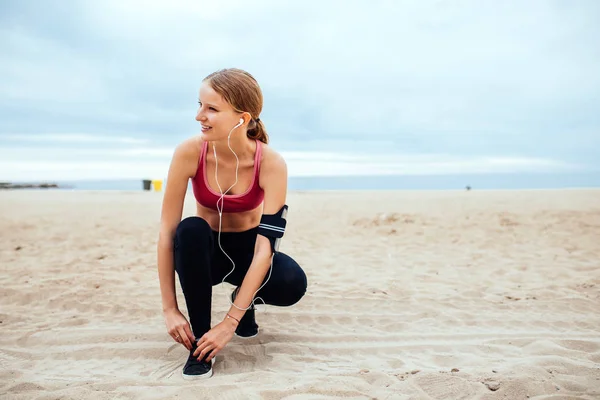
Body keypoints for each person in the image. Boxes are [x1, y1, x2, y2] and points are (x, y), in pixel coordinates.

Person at [156, 68, 308, 380]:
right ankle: (200, 345)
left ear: (242, 117)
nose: (200, 116)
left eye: (211, 108)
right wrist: (170, 310)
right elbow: (166, 234)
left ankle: (245, 298)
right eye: (199, 105)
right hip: (204, 255)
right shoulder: (189, 152)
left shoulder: (271, 163)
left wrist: (230, 322)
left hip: (250, 252)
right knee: (189, 230)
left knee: (293, 283)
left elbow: (266, 246)